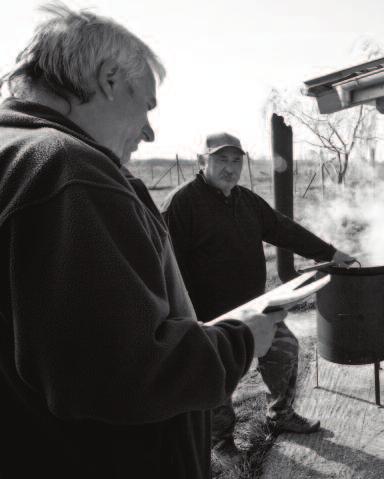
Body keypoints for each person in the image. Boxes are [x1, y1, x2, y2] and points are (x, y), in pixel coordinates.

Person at [0, 5, 282, 478]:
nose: (150, 131)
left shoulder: (13, 153)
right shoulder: (69, 171)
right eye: (147, 104)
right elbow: (121, 372)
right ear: (110, 79)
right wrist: (242, 341)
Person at [161, 132, 355, 464]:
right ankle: (221, 441)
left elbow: (285, 230)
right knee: (218, 379)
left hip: (254, 307)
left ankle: (280, 413)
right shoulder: (181, 204)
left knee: (286, 349)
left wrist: (331, 252)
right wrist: (187, 321)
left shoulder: (247, 201)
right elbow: (168, 267)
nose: (230, 168)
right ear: (200, 161)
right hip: (209, 317)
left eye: (236, 160)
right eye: (221, 159)